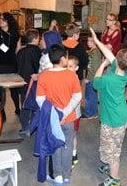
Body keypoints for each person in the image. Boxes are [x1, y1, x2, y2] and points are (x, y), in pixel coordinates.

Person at [90, 27, 127, 186]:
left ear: (117, 62)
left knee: (113, 151)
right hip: (118, 116)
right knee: (107, 145)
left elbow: (95, 82)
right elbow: (109, 54)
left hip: (113, 120)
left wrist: (102, 65)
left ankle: (114, 179)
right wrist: (97, 41)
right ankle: (109, 165)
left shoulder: (108, 79)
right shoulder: (125, 72)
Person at [36, 44, 82, 185]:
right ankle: (66, 175)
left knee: (55, 146)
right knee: (67, 146)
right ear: (63, 59)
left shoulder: (44, 76)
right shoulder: (71, 75)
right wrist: (65, 113)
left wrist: (54, 115)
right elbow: (77, 96)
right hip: (69, 118)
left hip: (52, 120)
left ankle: (57, 176)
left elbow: (40, 99)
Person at [16, 29, 41, 136]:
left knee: (24, 105)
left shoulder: (21, 51)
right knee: (36, 106)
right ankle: (34, 127)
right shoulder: (37, 51)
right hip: (34, 83)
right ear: (35, 39)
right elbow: (39, 68)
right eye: (39, 38)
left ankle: (24, 127)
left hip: (22, 82)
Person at [67, 55, 81, 169]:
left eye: (71, 66)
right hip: (68, 113)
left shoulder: (75, 79)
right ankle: (70, 153)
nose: (68, 68)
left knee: (72, 135)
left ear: (76, 68)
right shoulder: (67, 77)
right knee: (68, 134)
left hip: (74, 113)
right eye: (66, 66)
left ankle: (73, 154)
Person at [83, 35, 102, 118]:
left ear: (96, 42)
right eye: (88, 41)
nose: (88, 43)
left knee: (90, 96)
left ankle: (91, 113)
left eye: (91, 41)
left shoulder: (96, 53)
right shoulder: (92, 51)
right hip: (91, 77)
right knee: (90, 95)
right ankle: (91, 112)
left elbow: (95, 67)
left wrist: (89, 78)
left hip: (92, 78)